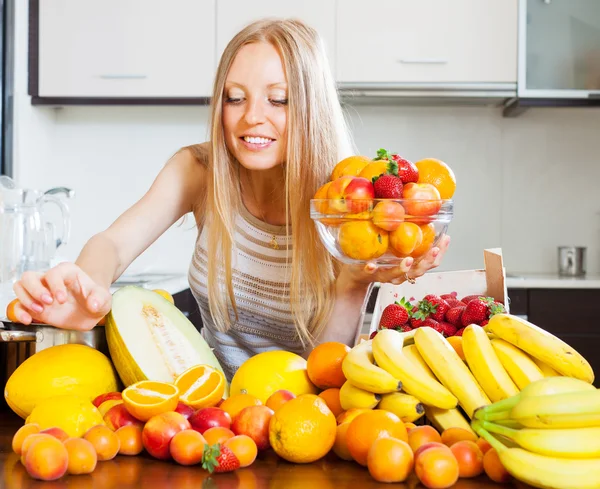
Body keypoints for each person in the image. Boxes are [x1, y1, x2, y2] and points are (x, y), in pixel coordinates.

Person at [11, 18, 450, 379]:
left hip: (302, 417)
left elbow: (327, 369)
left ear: (310, 108)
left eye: (278, 100)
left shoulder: (344, 203)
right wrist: (88, 286)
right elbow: (114, 244)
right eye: (234, 97)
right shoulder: (199, 172)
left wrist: (354, 284)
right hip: (208, 417)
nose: (251, 117)